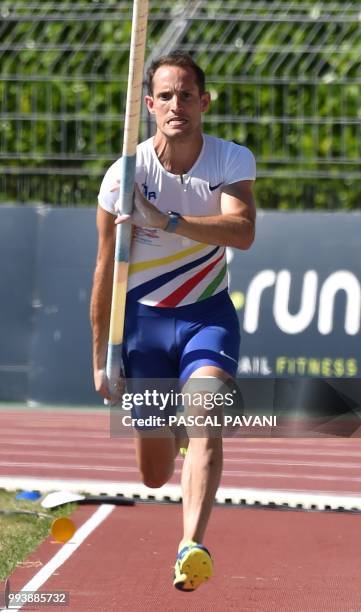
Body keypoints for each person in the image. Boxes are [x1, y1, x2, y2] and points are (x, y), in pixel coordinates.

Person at [90, 50, 256, 592]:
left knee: (206, 415)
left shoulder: (229, 160)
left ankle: (192, 545)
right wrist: (102, 356)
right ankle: (175, 435)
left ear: (203, 102)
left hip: (207, 315)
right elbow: (102, 271)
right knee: (154, 472)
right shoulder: (124, 175)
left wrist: (168, 220)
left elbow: (242, 232)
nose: (176, 104)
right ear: (149, 105)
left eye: (187, 94)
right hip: (143, 325)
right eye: (166, 95)